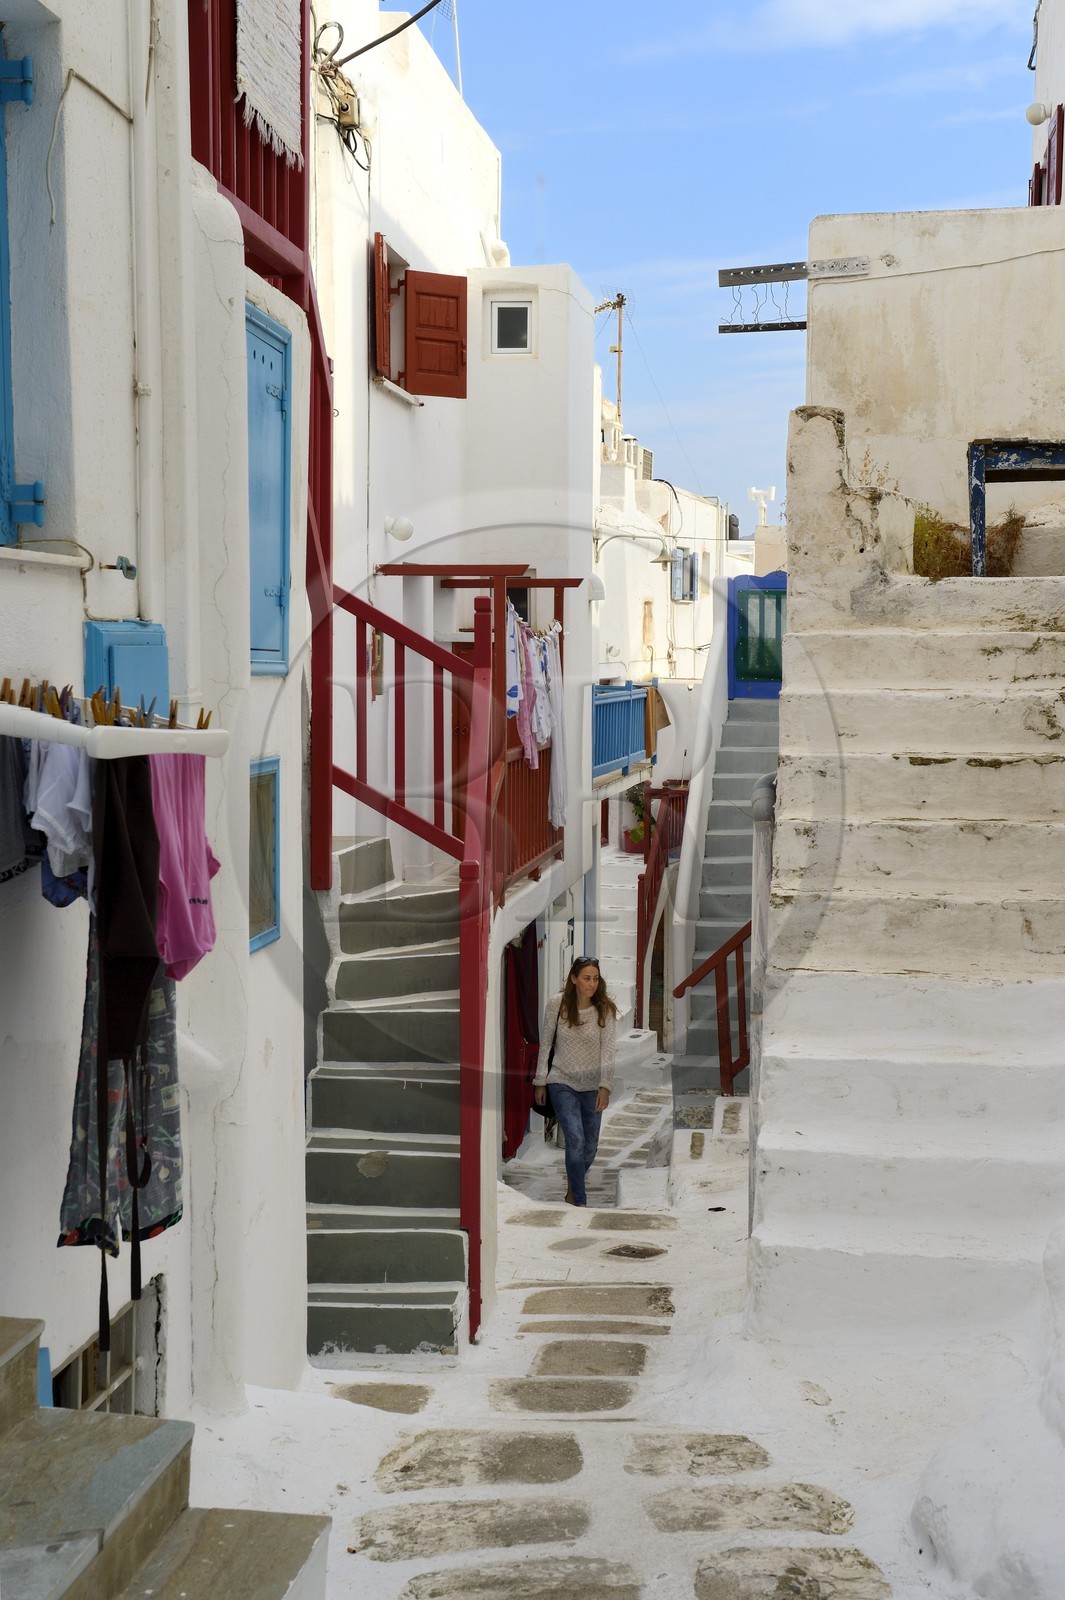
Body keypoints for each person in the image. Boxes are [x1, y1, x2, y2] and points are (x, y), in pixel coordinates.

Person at [533, 957, 617, 1206]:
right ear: (574, 978)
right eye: (586, 978)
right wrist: (540, 1080)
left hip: (592, 1086)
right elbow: (546, 1043)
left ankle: (572, 1188)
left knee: (590, 1146)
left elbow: (608, 1052)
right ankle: (579, 1200)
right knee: (576, 1139)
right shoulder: (557, 1004)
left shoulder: (605, 1009)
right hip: (561, 1081)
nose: (592, 984)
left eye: (595, 978)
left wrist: (605, 1086)